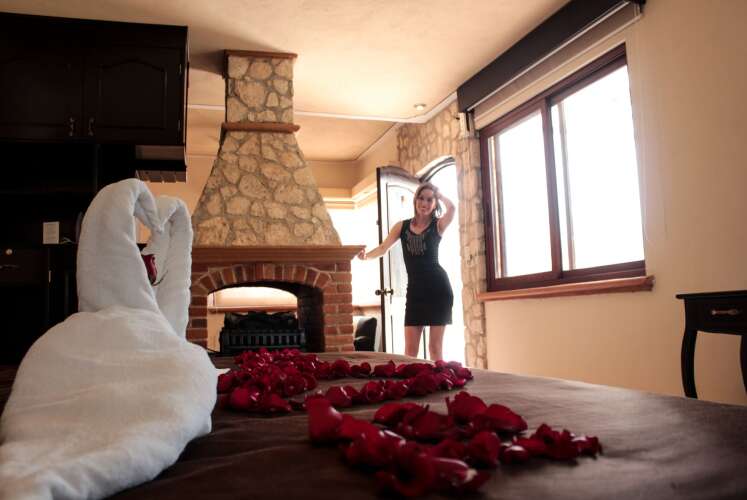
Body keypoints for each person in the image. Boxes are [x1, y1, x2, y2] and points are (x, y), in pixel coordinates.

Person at [358, 182, 455, 360]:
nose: (424, 203)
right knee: (410, 351)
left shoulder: (438, 225)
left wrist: (440, 194)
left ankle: (439, 377)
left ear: (435, 204)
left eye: (429, 200)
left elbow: (452, 208)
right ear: (415, 200)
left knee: (435, 349)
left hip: (438, 290)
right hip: (415, 291)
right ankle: (412, 378)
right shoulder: (401, 227)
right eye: (421, 198)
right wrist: (366, 257)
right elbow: (383, 248)